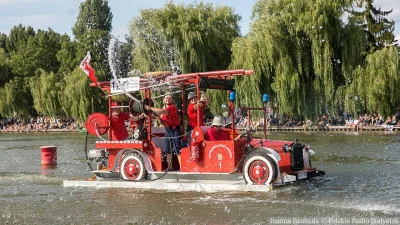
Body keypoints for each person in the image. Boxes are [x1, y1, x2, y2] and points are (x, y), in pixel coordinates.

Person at [145, 93, 182, 169]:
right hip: (168, 130)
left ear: (172, 100)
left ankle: (182, 167)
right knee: (167, 148)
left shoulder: (172, 108)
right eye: (166, 98)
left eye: (169, 98)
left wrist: (150, 108)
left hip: (175, 130)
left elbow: (162, 111)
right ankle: (170, 167)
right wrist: (149, 115)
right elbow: (161, 122)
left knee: (177, 148)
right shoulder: (163, 109)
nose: (168, 99)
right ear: (163, 100)